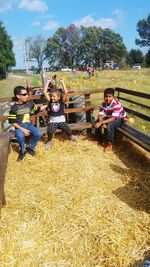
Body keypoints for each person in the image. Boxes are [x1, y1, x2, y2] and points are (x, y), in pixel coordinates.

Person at [8, 86, 47, 161]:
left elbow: (38, 109)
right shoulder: (14, 108)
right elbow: (12, 122)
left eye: (26, 94)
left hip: (29, 125)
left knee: (38, 133)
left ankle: (30, 147)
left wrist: (48, 104)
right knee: (20, 135)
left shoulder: (29, 104)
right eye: (24, 94)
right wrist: (22, 129)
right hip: (19, 126)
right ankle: (23, 151)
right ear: (18, 96)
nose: (27, 96)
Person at [43, 77, 77, 149]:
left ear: (58, 97)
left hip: (61, 121)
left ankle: (70, 137)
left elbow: (66, 92)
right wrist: (48, 81)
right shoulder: (50, 101)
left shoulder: (61, 101)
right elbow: (44, 92)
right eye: (51, 96)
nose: (52, 97)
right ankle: (49, 141)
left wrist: (62, 82)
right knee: (50, 131)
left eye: (54, 96)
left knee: (67, 129)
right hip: (53, 121)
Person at [94, 88, 127, 153]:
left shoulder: (116, 104)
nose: (108, 98)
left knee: (110, 125)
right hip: (111, 116)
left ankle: (110, 144)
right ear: (104, 97)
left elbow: (113, 118)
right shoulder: (103, 103)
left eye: (110, 96)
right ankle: (99, 139)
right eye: (106, 96)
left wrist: (102, 122)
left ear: (113, 97)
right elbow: (100, 115)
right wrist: (102, 123)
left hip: (120, 118)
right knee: (96, 121)